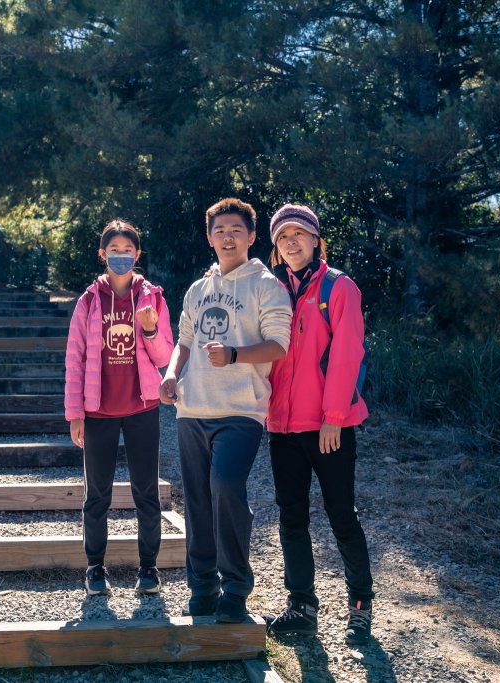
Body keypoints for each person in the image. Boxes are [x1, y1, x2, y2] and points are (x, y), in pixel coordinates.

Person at [160, 198, 292, 623]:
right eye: (219, 230)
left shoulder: (267, 285)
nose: (227, 236)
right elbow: (182, 343)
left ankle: (235, 588)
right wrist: (170, 374)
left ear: (252, 236)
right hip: (192, 408)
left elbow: (279, 345)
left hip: (241, 410)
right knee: (197, 500)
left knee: (225, 487)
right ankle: (202, 586)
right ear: (209, 237)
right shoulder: (198, 290)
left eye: (236, 229)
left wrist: (234, 354)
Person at [263, 202, 375, 645]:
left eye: (299, 234)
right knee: (291, 519)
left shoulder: (338, 287)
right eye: (283, 236)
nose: (291, 242)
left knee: (341, 516)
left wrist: (333, 419)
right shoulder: (269, 289)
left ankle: (360, 607)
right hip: (282, 426)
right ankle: (301, 607)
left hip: (328, 426)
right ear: (275, 247)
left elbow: (349, 355)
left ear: (315, 240)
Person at [65, 219, 175, 597]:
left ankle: (149, 568)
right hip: (97, 411)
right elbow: (74, 359)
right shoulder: (89, 301)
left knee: (146, 490)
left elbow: (165, 356)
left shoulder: (152, 298)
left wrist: (148, 329)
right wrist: (75, 414)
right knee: (98, 494)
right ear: (102, 254)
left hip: (142, 407)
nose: (122, 257)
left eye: (128, 251)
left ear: (138, 254)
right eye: (114, 251)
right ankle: (95, 567)